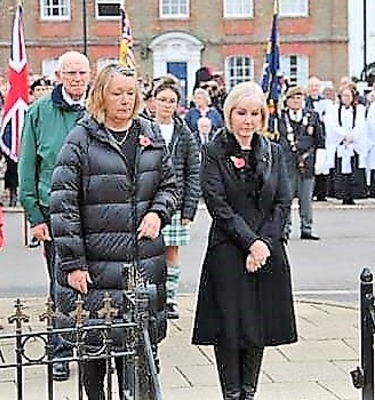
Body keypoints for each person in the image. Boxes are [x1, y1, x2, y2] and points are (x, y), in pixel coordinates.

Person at [50, 63, 178, 398]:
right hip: (94, 267)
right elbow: (63, 205)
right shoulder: (81, 138)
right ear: (101, 96)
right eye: (117, 93)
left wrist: (157, 213)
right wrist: (73, 264)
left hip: (141, 264)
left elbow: (169, 185)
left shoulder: (149, 134)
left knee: (137, 360)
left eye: (130, 93)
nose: (124, 100)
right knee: (94, 356)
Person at [192, 81, 297, 400]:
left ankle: (248, 394)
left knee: (257, 327)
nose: (247, 120)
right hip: (229, 250)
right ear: (229, 114)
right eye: (241, 113)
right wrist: (250, 243)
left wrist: (263, 244)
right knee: (229, 328)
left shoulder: (273, 152)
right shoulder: (213, 152)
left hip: (267, 251)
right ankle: (232, 394)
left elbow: (282, 202)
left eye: (254, 113)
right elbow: (217, 204)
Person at [18, 50, 90, 380]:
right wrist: (35, 215)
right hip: (54, 209)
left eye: (82, 73)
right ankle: (59, 349)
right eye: (70, 73)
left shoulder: (97, 108)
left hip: (95, 209)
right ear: (58, 76)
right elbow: (27, 167)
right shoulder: (38, 112)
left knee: (95, 282)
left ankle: (91, 345)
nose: (77, 79)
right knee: (60, 282)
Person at [152, 76, 200, 319]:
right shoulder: (144, 128)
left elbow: (194, 171)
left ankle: (169, 299)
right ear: (153, 102)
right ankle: (151, 298)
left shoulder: (185, 134)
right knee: (149, 253)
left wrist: (189, 210)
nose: (166, 105)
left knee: (171, 253)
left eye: (171, 101)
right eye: (162, 100)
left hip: (176, 204)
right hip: (148, 203)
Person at [275, 86, 324, 240]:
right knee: (285, 198)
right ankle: (284, 228)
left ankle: (307, 228)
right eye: (293, 98)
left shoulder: (312, 116)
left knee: (306, 198)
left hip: (306, 162)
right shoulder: (279, 117)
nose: (296, 101)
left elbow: (319, 139)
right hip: (286, 163)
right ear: (287, 100)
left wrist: (320, 161)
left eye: (299, 98)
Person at [324, 85, 368, 204]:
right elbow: (332, 125)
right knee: (341, 170)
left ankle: (354, 194)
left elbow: (360, 125)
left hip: (354, 144)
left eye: (349, 96)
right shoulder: (334, 110)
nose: (346, 98)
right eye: (344, 96)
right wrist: (343, 136)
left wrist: (352, 136)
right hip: (341, 144)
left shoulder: (359, 109)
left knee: (354, 169)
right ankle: (342, 194)